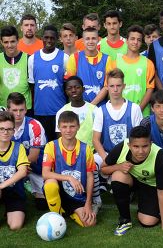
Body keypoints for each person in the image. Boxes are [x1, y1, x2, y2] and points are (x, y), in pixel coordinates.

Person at [101, 126, 163, 235]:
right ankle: (125, 220)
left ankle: (144, 204)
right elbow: (103, 168)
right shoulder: (121, 148)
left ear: (151, 144)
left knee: (148, 221)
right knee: (118, 175)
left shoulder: (159, 155)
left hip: (150, 186)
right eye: (136, 146)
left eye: (145, 146)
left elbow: (162, 192)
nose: (141, 151)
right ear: (129, 145)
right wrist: (118, 167)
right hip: (131, 180)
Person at [42, 111, 97, 227]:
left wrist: (88, 203)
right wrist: (69, 178)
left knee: (90, 223)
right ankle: (57, 217)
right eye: (64, 127)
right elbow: (45, 174)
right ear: (59, 127)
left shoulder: (86, 148)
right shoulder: (51, 146)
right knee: (50, 184)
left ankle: (70, 211)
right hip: (59, 193)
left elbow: (90, 176)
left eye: (72, 126)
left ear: (78, 127)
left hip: (77, 196)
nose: (68, 130)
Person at [55, 76, 101, 211]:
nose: (73, 90)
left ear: (83, 89)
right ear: (66, 92)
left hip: (91, 152)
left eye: (77, 87)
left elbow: (99, 136)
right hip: (69, 155)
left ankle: (96, 199)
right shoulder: (61, 112)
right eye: (69, 88)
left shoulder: (94, 110)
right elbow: (60, 139)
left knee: (93, 165)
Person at [92, 68, 143, 172]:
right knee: (92, 162)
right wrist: (106, 159)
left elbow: (139, 138)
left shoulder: (134, 108)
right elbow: (95, 140)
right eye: (112, 86)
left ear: (124, 86)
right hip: (107, 154)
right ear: (107, 87)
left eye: (118, 86)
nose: (115, 89)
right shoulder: (100, 111)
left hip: (128, 154)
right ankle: (100, 185)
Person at [28, 25, 69, 141]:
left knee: (58, 145)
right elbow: (32, 86)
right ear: (42, 38)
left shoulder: (64, 58)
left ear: (56, 39)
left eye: (52, 38)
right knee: (41, 144)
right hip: (40, 111)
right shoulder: (32, 59)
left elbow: (66, 86)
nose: (49, 41)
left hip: (59, 111)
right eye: (46, 37)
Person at [7, 92, 47, 209]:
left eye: (21, 110)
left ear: (26, 109)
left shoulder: (35, 125)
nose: (18, 114)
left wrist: (18, 169)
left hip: (35, 169)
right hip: (12, 169)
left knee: (42, 206)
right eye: (14, 110)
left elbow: (34, 157)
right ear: (8, 110)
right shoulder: (3, 126)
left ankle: (28, 185)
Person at [65, 27, 114, 106]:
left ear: (98, 40)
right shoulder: (74, 58)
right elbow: (70, 86)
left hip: (100, 107)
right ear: (83, 41)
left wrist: (91, 106)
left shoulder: (107, 59)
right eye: (87, 39)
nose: (90, 41)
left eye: (93, 38)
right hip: (79, 106)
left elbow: (106, 87)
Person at [116, 25, 155, 116]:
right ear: (127, 40)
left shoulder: (148, 63)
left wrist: (138, 111)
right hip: (120, 113)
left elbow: (150, 89)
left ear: (141, 42)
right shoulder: (116, 62)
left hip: (142, 113)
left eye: (138, 40)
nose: (135, 42)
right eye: (132, 39)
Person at [0, 111, 29, 230]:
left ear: (13, 131)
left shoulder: (19, 147)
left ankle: (9, 211)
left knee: (15, 226)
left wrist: (1, 186)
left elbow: (22, 171)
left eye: (8, 129)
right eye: (1, 129)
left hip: (14, 192)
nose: (5, 132)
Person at [0, 26, 32, 111]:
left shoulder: (29, 59)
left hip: (24, 110)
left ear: (18, 40)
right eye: (6, 42)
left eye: (12, 41)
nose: (9, 45)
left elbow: (33, 87)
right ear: (1, 42)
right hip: (4, 110)